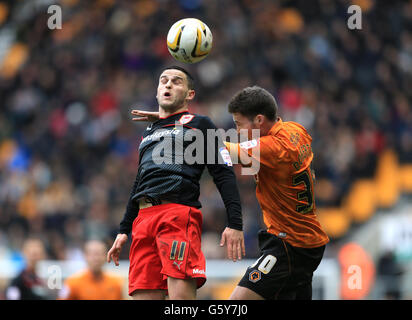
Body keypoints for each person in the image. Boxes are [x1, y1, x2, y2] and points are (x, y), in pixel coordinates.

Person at [107, 66, 245, 300]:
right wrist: (123, 230)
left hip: (177, 216)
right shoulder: (149, 132)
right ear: (157, 89)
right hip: (143, 221)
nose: (168, 84)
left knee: (180, 302)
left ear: (190, 94)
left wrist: (235, 223)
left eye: (176, 81)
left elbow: (223, 173)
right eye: (163, 80)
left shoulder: (201, 124)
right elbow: (140, 182)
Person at [223, 86, 330, 300]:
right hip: (308, 241)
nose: (237, 131)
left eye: (238, 124)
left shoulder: (272, 147)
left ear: (259, 120)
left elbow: (223, 152)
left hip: (290, 244)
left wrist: (183, 131)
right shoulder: (296, 130)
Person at [59, 240, 123, 300]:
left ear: (106, 256)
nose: (96, 258)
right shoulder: (72, 283)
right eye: (93, 254)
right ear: (85, 256)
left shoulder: (116, 283)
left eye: (100, 254)